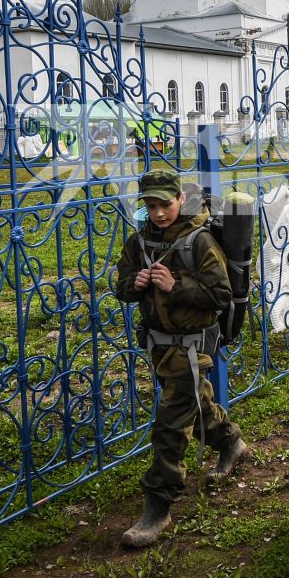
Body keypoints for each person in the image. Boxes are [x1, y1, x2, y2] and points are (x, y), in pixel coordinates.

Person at [112, 168, 250, 548]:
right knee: (196, 407)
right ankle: (230, 442)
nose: (158, 213)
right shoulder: (139, 243)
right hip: (159, 346)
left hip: (193, 348)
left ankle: (158, 506)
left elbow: (220, 294)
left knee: (170, 426)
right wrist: (133, 284)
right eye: (151, 206)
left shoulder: (199, 241)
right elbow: (122, 285)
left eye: (165, 204)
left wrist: (177, 286)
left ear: (180, 199)